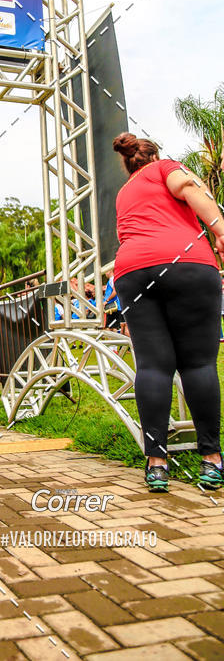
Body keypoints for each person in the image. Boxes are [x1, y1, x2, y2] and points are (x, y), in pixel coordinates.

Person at [112, 132, 224, 492]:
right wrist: (220, 231)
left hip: (131, 271)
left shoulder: (124, 193)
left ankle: (157, 464)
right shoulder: (166, 168)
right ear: (155, 155)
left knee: (153, 366)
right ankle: (211, 461)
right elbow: (188, 186)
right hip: (186, 261)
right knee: (198, 364)